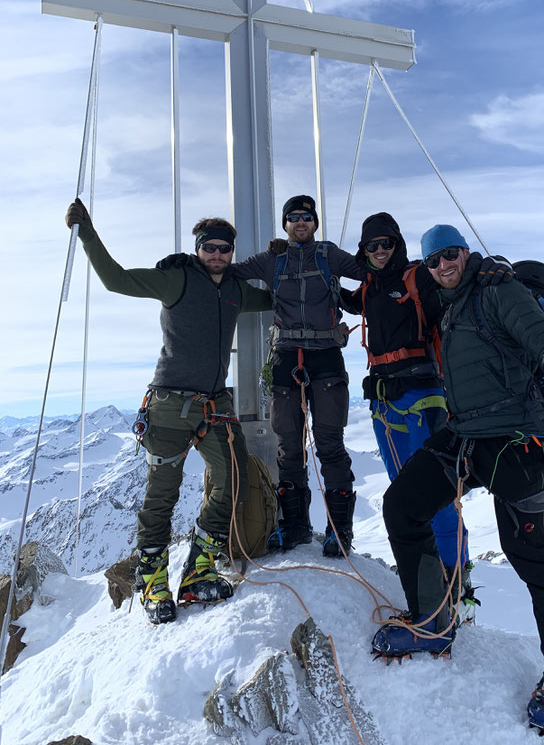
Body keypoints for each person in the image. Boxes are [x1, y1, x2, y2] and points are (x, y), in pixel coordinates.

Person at [371, 224, 544, 735]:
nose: (444, 267)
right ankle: (434, 621)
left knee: (532, 554)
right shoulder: (450, 305)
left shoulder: (499, 292)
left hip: (518, 440)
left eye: (451, 255)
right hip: (465, 437)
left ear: (467, 253)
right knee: (402, 505)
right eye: (434, 262)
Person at [65, 199, 272, 625]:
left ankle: (199, 569)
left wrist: (287, 260)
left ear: (232, 252)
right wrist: (86, 230)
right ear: (197, 249)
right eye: (209, 247)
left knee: (234, 478)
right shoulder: (175, 279)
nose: (217, 255)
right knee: (161, 495)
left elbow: (276, 299)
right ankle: (152, 578)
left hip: (215, 404)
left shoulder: (235, 290)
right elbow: (115, 279)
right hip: (168, 406)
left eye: (224, 248)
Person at [159, 195, 367, 556]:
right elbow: (225, 272)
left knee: (330, 444)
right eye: (293, 217)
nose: (300, 222)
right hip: (287, 357)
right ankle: (296, 527)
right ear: (285, 224)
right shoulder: (272, 259)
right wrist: (189, 263)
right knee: (288, 446)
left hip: (327, 359)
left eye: (306, 217)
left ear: (315, 223)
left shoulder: (329, 255)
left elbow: (369, 272)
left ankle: (339, 531)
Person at [341, 212, 513, 622]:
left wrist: (490, 266)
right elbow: (340, 296)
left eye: (386, 243)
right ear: (364, 251)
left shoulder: (418, 277)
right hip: (384, 403)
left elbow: (455, 279)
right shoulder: (368, 287)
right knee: (408, 493)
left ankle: (453, 583)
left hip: (422, 399)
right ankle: (442, 582)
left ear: (398, 243)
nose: (381, 252)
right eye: (372, 246)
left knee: (432, 495)